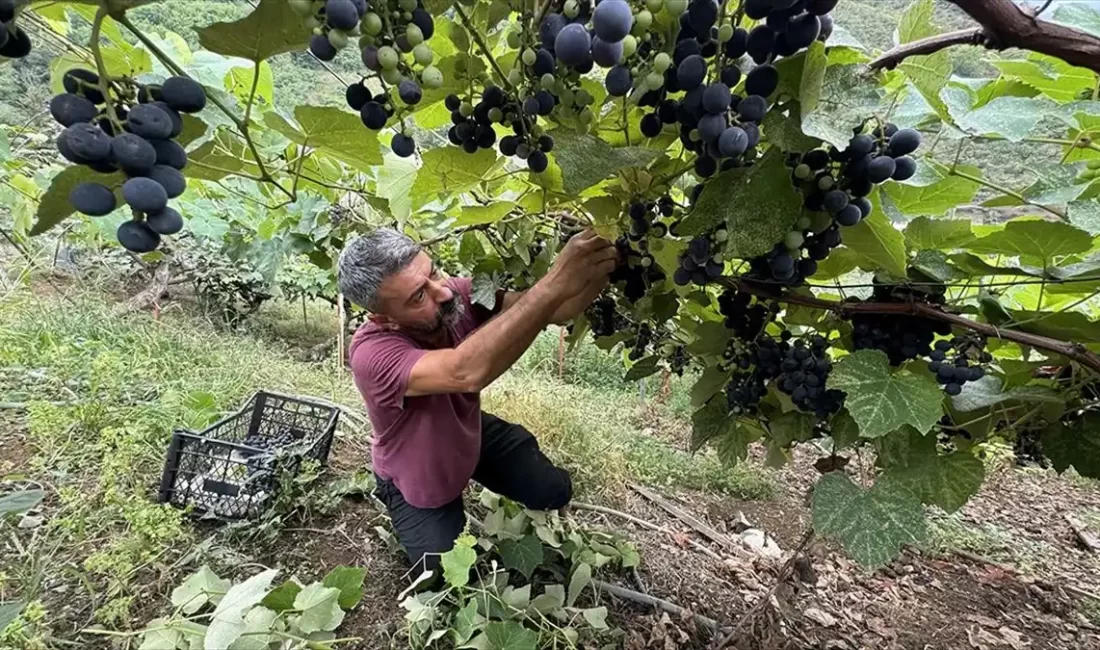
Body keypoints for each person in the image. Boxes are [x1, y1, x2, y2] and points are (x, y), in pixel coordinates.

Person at [337, 227, 617, 581]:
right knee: (441, 575)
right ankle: (392, 493)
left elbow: (555, 308)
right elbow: (464, 371)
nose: (442, 292)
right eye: (417, 297)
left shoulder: (456, 294)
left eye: (434, 271)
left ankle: (478, 460)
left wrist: (603, 265)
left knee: (554, 489)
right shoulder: (371, 354)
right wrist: (555, 279)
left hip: (467, 433)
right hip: (418, 470)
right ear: (384, 318)